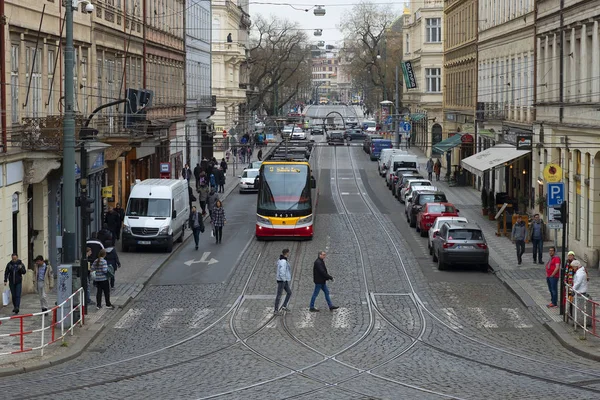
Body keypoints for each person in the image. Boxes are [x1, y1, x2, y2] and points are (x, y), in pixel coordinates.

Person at [274, 248, 292, 313]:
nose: (289, 254)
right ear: (286, 253)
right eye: (288, 253)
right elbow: (282, 271)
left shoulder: (282, 260)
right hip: (282, 280)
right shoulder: (283, 261)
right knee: (279, 295)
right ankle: (276, 310)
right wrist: (284, 279)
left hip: (284, 280)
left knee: (289, 292)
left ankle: (284, 306)